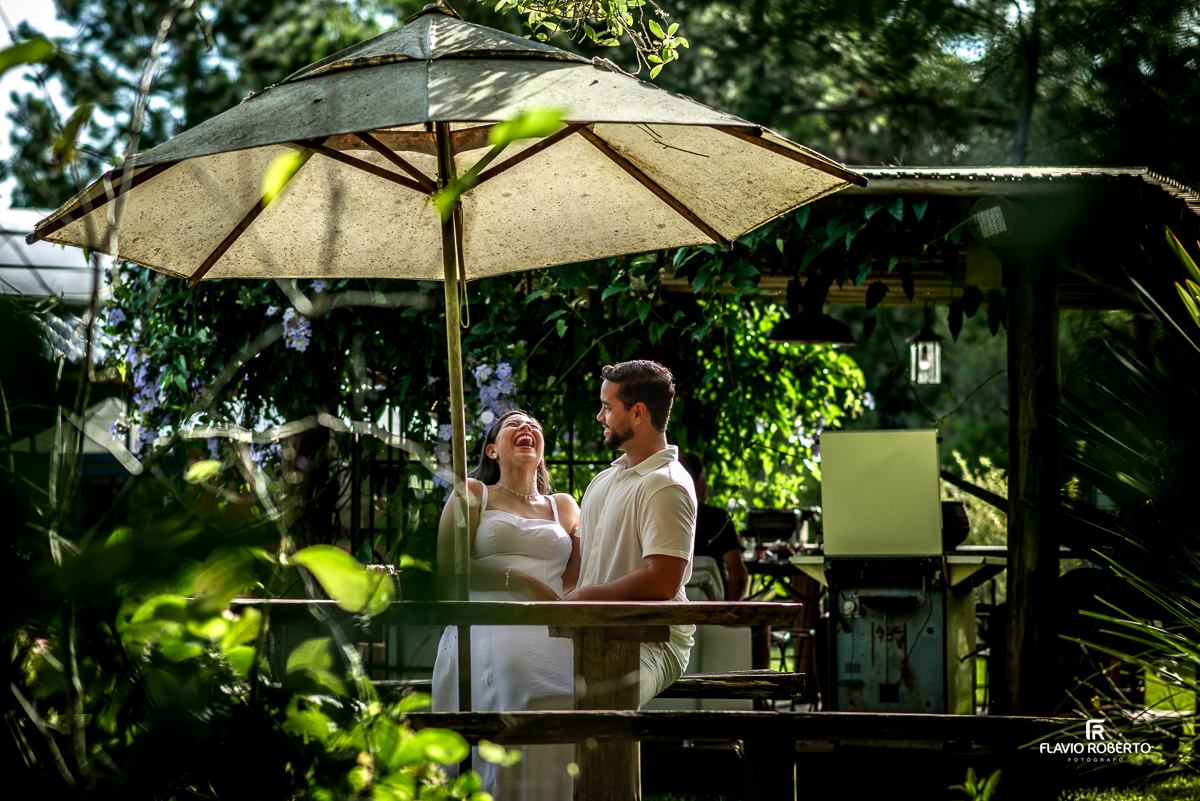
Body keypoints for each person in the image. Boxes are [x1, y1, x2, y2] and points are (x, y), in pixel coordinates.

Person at [431, 409, 580, 801]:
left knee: (567, 700)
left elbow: (579, 575)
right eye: (513, 423)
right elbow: (450, 567)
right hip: (490, 622)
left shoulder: (563, 506)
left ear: (542, 450)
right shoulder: (475, 493)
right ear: (493, 450)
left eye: (534, 425)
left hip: (553, 627)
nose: (526, 428)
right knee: (519, 691)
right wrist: (524, 580)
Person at [565, 360, 696, 706]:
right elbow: (579, 566)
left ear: (638, 413)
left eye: (608, 408)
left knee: (605, 704)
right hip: (590, 631)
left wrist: (585, 597)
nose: (599, 416)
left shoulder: (666, 485)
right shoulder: (604, 479)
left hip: (651, 640)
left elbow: (663, 581)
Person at [678, 452, 750, 601]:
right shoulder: (718, 519)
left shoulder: (658, 517)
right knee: (763, 622)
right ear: (700, 484)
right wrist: (728, 617)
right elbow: (739, 578)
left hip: (674, 614)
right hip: (715, 615)